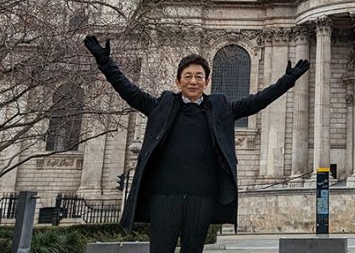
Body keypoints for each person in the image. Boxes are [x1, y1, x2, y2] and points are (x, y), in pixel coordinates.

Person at [84, 36, 310, 253]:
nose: (193, 81)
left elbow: (258, 101)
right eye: (188, 76)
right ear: (178, 80)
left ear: (207, 81)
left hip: (201, 199)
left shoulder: (221, 108)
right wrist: (105, 62)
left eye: (199, 76)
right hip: (164, 197)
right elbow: (127, 90)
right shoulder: (161, 106)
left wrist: (287, 80)